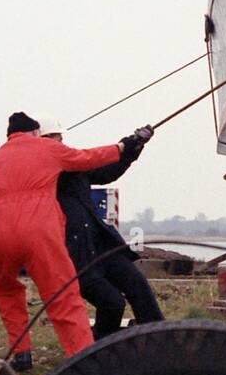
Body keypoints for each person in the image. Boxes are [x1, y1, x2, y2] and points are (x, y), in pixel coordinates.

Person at [0, 113, 135, 370]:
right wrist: (121, 148)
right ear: (34, 133)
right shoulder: (47, 148)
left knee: (5, 289)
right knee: (63, 296)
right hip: (38, 229)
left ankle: (21, 354)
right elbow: (87, 158)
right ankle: (83, 360)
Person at [38, 118, 163, 341]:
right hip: (76, 255)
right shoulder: (44, 173)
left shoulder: (73, 166)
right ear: (44, 140)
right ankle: (99, 348)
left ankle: (162, 340)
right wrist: (126, 144)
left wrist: (134, 148)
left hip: (101, 246)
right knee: (112, 303)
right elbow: (92, 158)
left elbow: (106, 172)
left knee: (138, 286)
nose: (62, 140)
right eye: (58, 136)